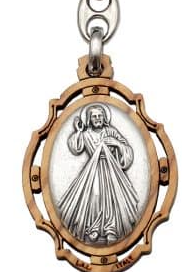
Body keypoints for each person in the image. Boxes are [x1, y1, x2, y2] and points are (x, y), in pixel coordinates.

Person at [58, 104, 139, 244]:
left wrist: (117, 144)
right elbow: (75, 147)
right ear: (89, 119)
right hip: (93, 169)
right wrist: (78, 131)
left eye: (100, 116)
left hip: (111, 169)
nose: (97, 118)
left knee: (112, 196)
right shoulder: (86, 134)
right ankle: (94, 227)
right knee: (95, 195)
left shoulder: (111, 131)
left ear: (104, 117)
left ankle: (111, 229)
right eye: (94, 116)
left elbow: (127, 149)